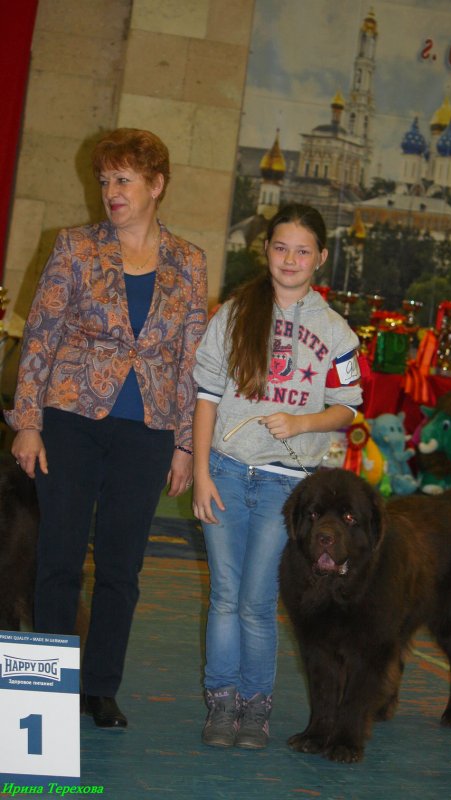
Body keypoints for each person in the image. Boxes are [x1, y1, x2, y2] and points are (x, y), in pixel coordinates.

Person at [6, 128, 208, 728]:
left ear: (156, 185)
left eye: (124, 180)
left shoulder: (190, 262)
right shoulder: (73, 246)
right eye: (104, 181)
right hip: (69, 422)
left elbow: (192, 359)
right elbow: (39, 338)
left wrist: (183, 443)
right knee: (58, 559)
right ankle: (44, 697)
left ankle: (100, 689)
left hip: (147, 430)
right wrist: (28, 423)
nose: (111, 192)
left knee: (122, 569)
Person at [192, 203, 363, 749]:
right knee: (223, 596)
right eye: (281, 247)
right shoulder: (233, 314)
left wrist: (303, 422)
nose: (290, 259)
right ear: (265, 250)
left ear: (321, 258)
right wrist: (200, 472)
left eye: (303, 250)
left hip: (287, 487)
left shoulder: (336, 332)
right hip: (224, 469)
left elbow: (348, 407)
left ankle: (256, 708)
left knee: (257, 602)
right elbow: (205, 399)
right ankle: (221, 705)